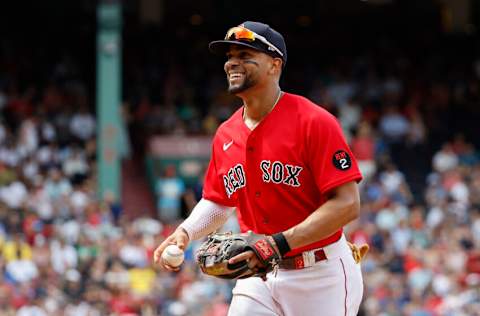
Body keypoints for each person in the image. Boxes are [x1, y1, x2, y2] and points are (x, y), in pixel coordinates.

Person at [154, 21, 365, 316]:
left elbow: (347, 205)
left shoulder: (313, 122)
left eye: (245, 55)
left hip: (320, 274)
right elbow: (218, 199)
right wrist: (186, 232)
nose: (232, 63)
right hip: (259, 276)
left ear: (274, 65)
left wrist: (275, 245)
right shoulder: (226, 134)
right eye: (230, 56)